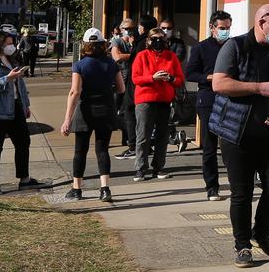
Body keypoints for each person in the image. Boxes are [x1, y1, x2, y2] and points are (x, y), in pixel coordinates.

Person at [212, 4, 269, 268]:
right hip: (235, 133)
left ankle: (261, 233)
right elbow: (219, 83)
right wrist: (257, 88)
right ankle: (242, 245)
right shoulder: (236, 46)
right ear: (261, 22)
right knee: (242, 192)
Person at [60, 29, 126, 202]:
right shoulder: (112, 63)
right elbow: (121, 88)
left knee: (80, 151)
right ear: (103, 43)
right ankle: (105, 189)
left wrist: (67, 119)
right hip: (106, 110)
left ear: (85, 44)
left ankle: (77, 188)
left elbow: (75, 92)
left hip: (85, 111)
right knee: (102, 150)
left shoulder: (80, 65)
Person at [0, 32, 39, 195]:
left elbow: (20, 85)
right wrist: (6, 79)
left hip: (16, 106)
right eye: (8, 43)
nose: (12, 46)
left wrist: (25, 105)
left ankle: (24, 178)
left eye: (12, 43)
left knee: (23, 142)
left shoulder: (12, 60)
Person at [186, 10, 232, 200]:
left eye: (228, 28)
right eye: (222, 28)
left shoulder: (234, 46)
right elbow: (190, 74)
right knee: (210, 146)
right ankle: (212, 187)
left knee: (231, 145)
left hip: (231, 99)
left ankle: (238, 182)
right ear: (212, 28)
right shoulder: (201, 48)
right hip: (208, 100)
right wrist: (210, 77)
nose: (225, 32)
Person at [131, 27, 185, 181]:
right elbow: (136, 79)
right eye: (154, 38)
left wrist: (171, 79)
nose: (158, 41)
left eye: (161, 38)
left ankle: (159, 167)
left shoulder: (171, 56)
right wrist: (152, 77)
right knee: (143, 135)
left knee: (163, 136)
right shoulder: (142, 56)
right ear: (148, 40)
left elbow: (180, 79)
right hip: (145, 100)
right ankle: (140, 169)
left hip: (164, 100)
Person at [110, 19, 137, 156]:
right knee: (115, 110)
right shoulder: (117, 42)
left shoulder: (136, 43)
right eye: (126, 28)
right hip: (118, 81)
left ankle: (127, 138)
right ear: (121, 29)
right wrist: (133, 55)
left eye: (131, 28)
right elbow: (116, 57)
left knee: (128, 111)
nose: (129, 30)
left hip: (131, 83)